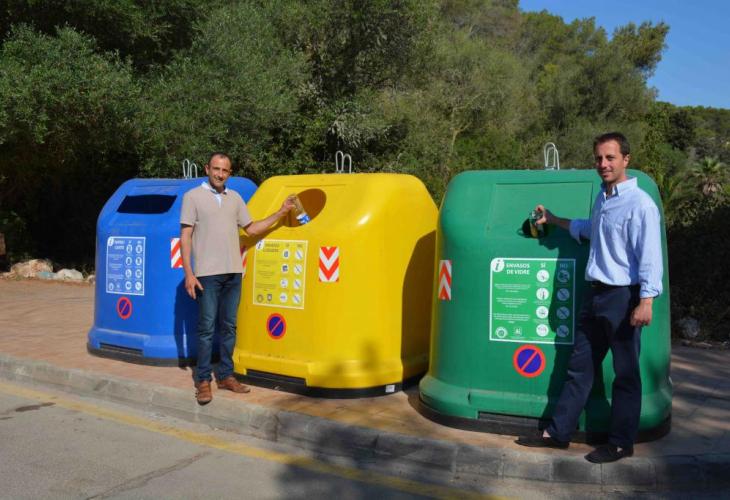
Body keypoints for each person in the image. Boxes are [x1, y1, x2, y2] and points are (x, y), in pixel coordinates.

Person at [516, 132, 663, 463]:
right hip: (594, 295)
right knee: (579, 368)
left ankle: (621, 443)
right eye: (599, 158)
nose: (603, 164)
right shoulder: (603, 198)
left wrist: (646, 300)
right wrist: (554, 219)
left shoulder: (640, 204)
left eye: (610, 158)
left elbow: (651, 255)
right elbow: (589, 228)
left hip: (623, 298)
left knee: (625, 373)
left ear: (626, 159)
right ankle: (558, 433)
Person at [180, 152, 295, 405]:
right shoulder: (192, 197)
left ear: (229, 173)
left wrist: (281, 212)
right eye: (216, 169)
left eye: (225, 171)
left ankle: (225, 376)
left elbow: (251, 228)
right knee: (206, 329)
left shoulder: (234, 198)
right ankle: (203, 381)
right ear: (207, 169)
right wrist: (189, 273)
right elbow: (185, 236)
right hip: (207, 275)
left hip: (233, 273)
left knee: (229, 327)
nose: (220, 174)